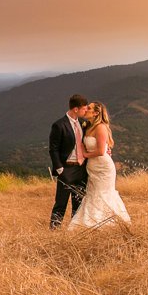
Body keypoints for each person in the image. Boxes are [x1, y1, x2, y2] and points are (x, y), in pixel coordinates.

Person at [68, 101, 130, 230]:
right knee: (93, 194)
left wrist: (84, 154)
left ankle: (108, 224)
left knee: (103, 194)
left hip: (103, 168)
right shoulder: (88, 126)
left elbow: (101, 151)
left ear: (96, 113)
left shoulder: (101, 127)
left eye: (89, 108)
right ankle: (90, 223)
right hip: (92, 168)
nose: (86, 110)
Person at [48, 94, 89, 229]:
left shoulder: (83, 124)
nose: (86, 111)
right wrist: (60, 169)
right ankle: (54, 231)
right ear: (76, 109)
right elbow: (53, 149)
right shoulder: (59, 125)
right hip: (67, 169)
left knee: (78, 203)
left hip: (81, 169)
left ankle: (74, 230)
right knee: (61, 203)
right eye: (84, 109)